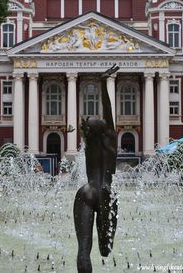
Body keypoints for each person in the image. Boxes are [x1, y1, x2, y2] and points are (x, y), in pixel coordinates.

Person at [73, 64, 119, 273]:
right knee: (105, 250)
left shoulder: (88, 141)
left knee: (84, 248)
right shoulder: (110, 138)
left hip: (87, 191)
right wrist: (103, 82)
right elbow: (108, 110)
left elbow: (86, 126)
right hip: (107, 193)